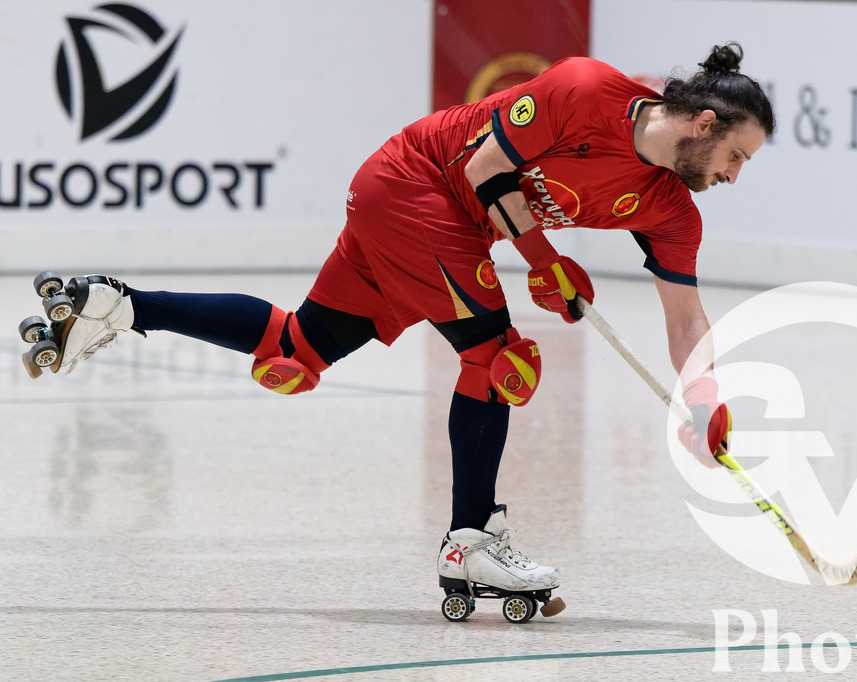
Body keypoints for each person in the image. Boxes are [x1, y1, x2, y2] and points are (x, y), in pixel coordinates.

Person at [18, 42, 775, 621]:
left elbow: (686, 317)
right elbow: (482, 171)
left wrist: (704, 394)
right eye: (736, 156)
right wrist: (545, 262)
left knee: (298, 350)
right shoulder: (583, 89)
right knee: (497, 358)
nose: (734, 176)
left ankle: (120, 307)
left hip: (438, 222)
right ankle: (470, 542)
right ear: (704, 123)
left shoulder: (671, 211)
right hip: (417, 184)